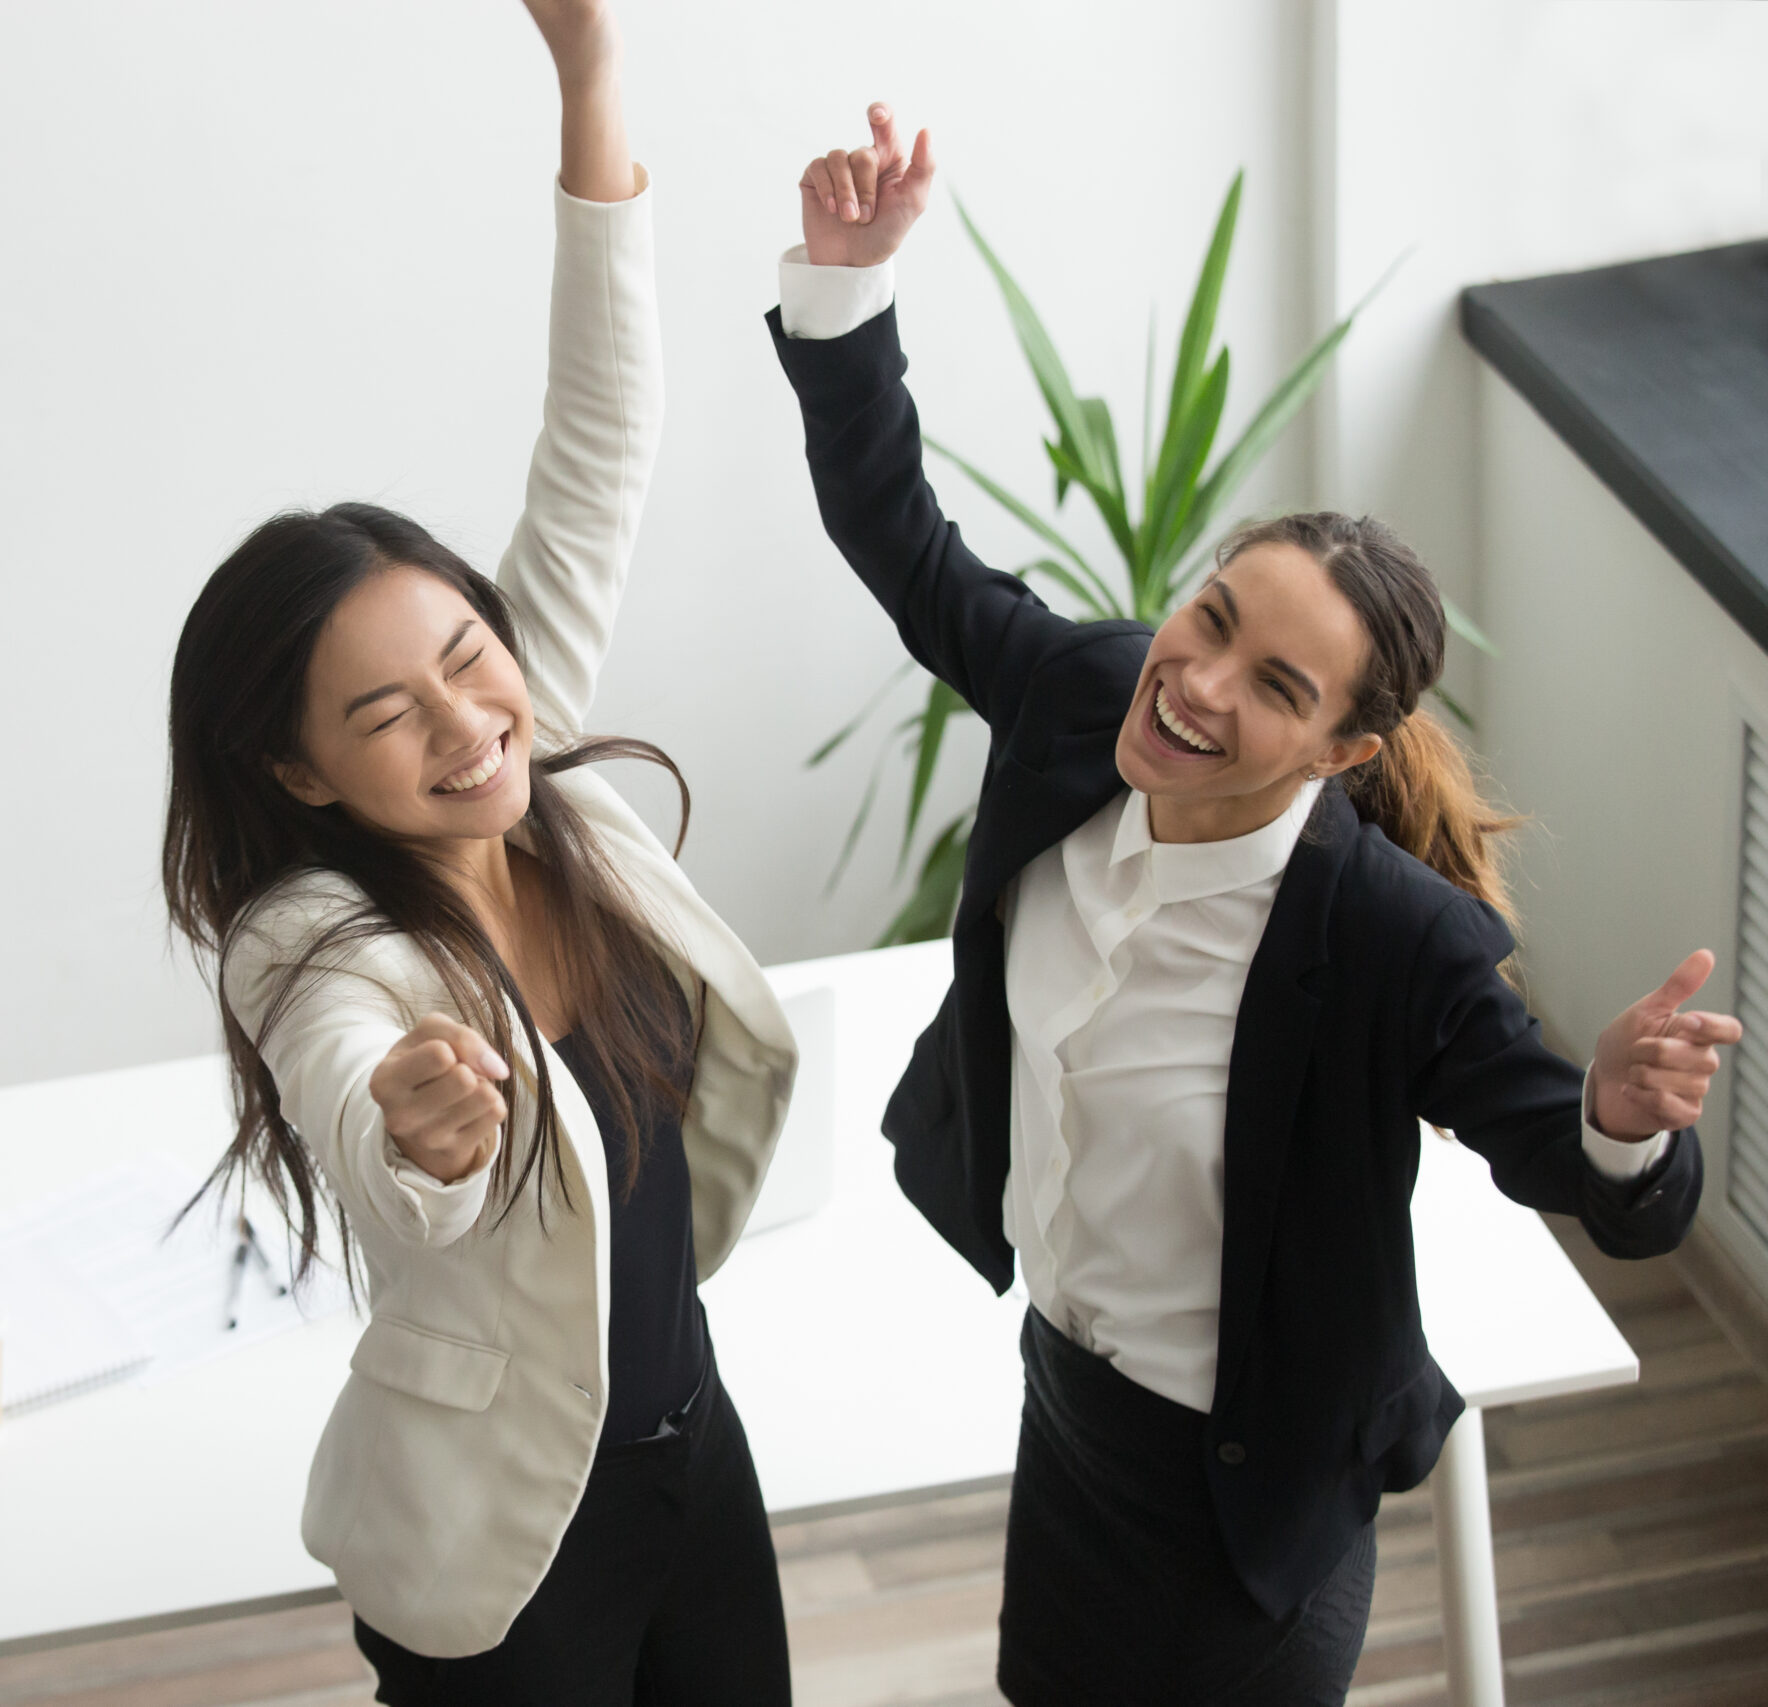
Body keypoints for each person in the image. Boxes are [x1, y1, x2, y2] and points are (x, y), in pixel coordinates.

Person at [767, 107, 1733, 1705]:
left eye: (1273, 683)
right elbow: (907, 546)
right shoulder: (1087, 692)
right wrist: (848, 288)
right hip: (1070, 1402)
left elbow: (1580, 1162)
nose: (1196, 683)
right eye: (1209, 617)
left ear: (1344, 749)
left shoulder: (1389, 944)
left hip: (1248, 1492)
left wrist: (1626, 1117)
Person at [159, 3, 797, 1699]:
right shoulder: (306, 941)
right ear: (297, 766)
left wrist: (589, 78)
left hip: (689, 1442)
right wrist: (416, 1132)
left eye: (468, 657)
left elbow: (599, 441)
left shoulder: (540, 771)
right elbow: (358, 1096)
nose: (465, 725)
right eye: (386, 717)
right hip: (510, 1544)